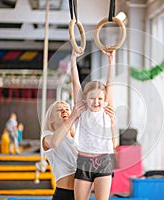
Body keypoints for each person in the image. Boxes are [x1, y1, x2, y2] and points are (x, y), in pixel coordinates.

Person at [41, 101, 115, 200]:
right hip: (64, 194)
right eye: (59, 110)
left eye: (67, 109)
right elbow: (54, 142)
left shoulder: (76, 137)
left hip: (81, 194)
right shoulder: (47, 135)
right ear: (51, 119)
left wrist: (111, 121)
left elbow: (109, 145)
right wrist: (72, 117)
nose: (64, 111)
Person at [71, 48, 116, 200]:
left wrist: (111, 60)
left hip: (103, 161)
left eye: (99, 99)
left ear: (104, 100)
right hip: (83, 161)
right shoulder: (82, 110)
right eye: (92, 98)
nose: (96, 102)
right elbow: (75, 83)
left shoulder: (106, 110)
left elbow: (110, 83)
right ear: (85, 99)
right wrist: (73, 59)